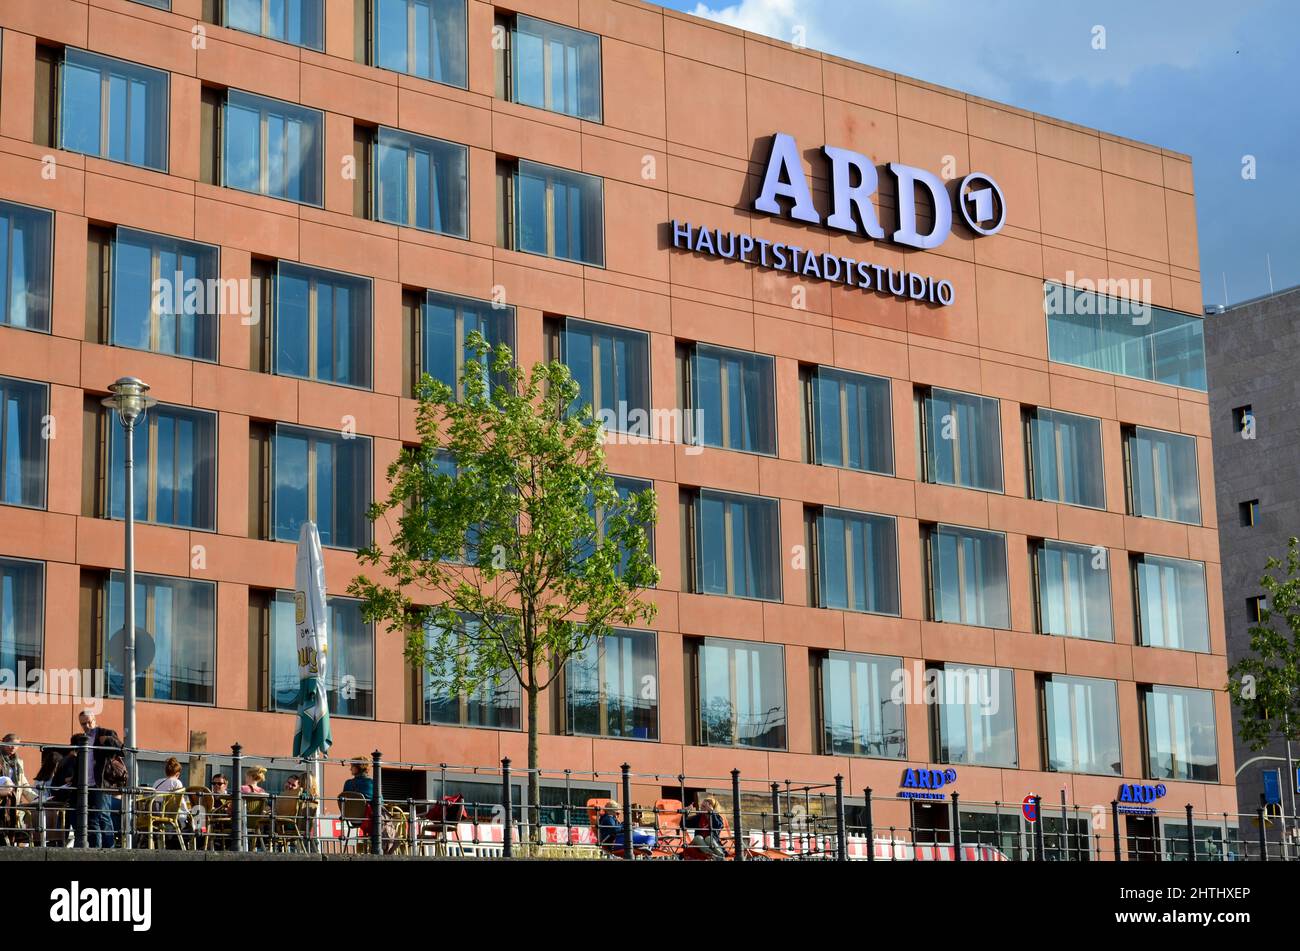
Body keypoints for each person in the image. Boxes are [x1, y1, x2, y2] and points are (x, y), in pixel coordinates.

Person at [72, 710, 122, 848]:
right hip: (85, 785)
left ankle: (108, 848)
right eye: (83, 723)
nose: (87, 726)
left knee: (102, 816)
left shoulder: (105, 733)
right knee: (92, 818)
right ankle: (95, 848)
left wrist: (107, 740)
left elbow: (121, 749)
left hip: (100, 783)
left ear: (94, 720)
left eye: (89, 722)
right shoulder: (82, 739)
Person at [0, 734, 34, 844]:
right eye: (10, 744)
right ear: (3, 742)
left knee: (11, 828)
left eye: (16, 745)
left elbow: (23, 783)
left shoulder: (18, 762)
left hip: (13, 801)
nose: (13, 748)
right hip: (1, 798)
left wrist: (35, 798)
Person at [150, 756, 191, 849]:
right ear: (177, 773)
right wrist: (187, 812)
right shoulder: (177, 782)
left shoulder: (157, 782)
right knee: (189, 820)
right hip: (170, 815)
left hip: (156, 814)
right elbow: (180, 802)